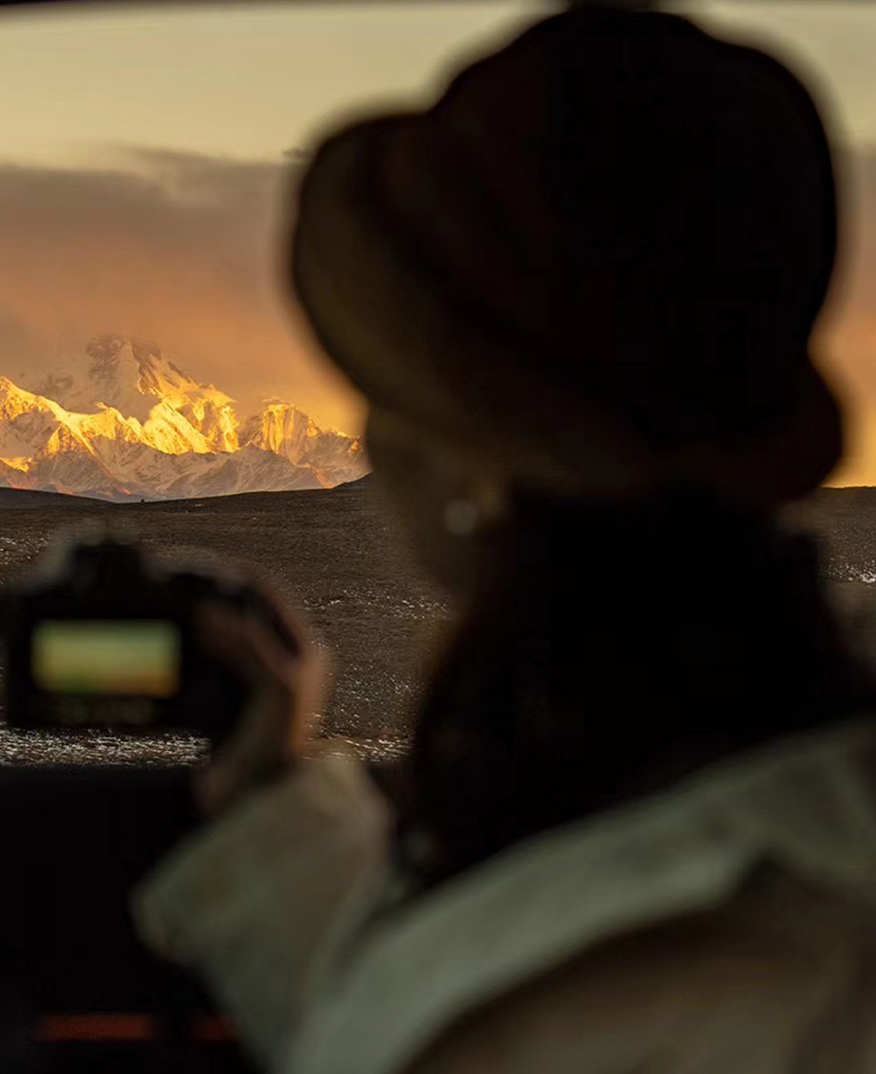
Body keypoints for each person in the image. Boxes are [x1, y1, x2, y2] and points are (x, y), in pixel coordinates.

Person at [135, 9, 876, 1073]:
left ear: (475, 462)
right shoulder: (721, 759)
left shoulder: (773, 946)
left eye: (391, 393)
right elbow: (453, 1000)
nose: (369, 441)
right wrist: (272, 804)